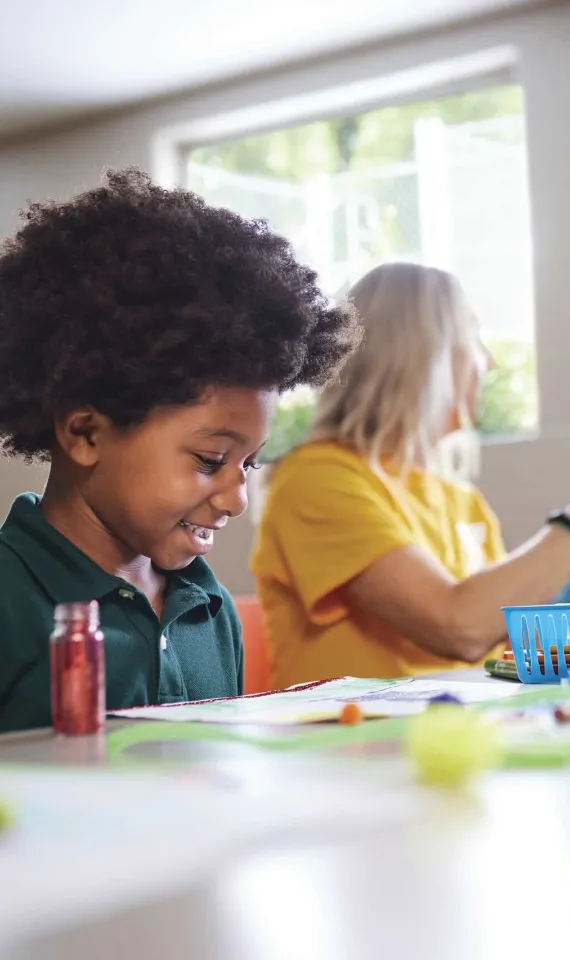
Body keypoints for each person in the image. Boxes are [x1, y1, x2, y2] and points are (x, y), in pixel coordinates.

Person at [252, 262, 570, 688]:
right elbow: (460, 626)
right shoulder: (317, 481)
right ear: (419, 354)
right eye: (472, 336)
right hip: (355, 762)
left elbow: (514, 639)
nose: (489, 361)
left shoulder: (460, 500)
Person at [0, 169, 360, 733]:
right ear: (85, 434)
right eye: (209, 461)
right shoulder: (9, 598)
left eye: (249, 463)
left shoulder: (205, 605)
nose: (237, 498)